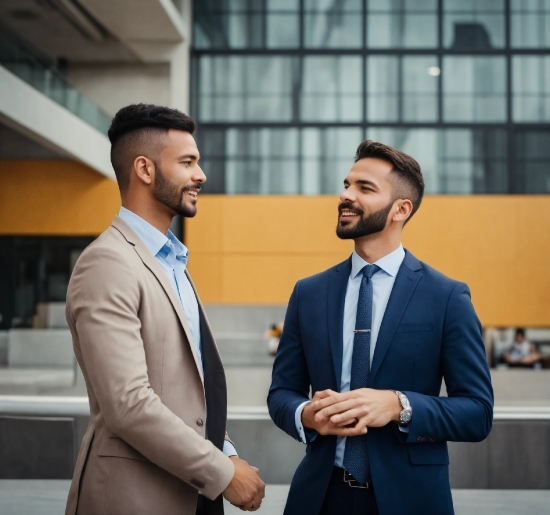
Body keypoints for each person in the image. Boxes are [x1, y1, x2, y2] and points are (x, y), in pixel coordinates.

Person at [268, 140, 493, 515]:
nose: (346, 196)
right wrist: (306, 414)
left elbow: (477, 412)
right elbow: (281, 393)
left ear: (400, 209)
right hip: (320, 498)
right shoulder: (309, 293)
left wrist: (398, 405)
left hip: (412, 500)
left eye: (364, 188)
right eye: (346, 185)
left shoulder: (447, 297)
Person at [64, 104, 265, 515]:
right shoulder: (107, 263)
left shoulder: (171, 262)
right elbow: (127, 404)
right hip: (135, 498)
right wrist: (223, 473)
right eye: (188, 162)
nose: (201, 175)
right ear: (145, 169)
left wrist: (223, 453)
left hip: (194, 490)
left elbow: (186, 389)